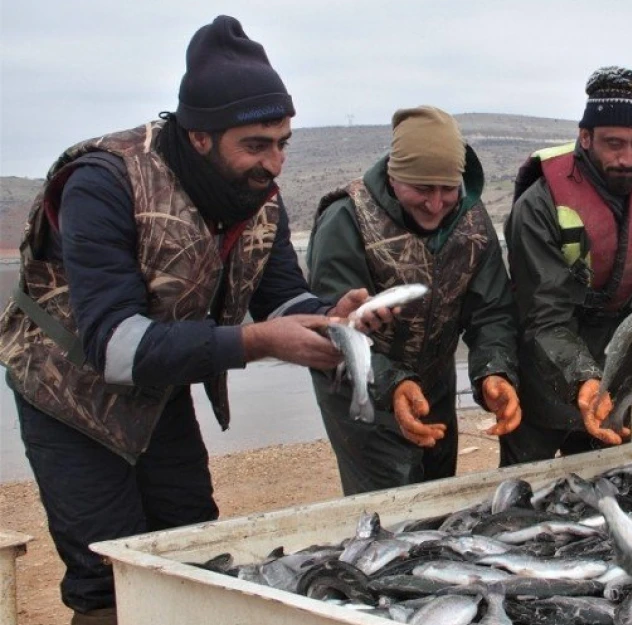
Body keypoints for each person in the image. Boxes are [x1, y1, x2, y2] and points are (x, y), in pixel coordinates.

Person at [0, 16, 384, 625]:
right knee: (107, 575)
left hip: (161, 388)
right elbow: (116, 348)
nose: (275, 163)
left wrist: (328, 320)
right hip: (67, 393)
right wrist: (257, 343)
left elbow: (280, 298)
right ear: (199, 136)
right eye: (256, 145)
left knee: (194, 551)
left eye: (283, 141)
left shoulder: (261, 198)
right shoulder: (104, 184)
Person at [499, 66, 632, 466]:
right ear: (585, 137)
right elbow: (543, 316)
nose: (627, 159)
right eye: (613, 144)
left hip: (617, 365)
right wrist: (583, 379)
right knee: (526, 487)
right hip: (541, 362)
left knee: (611, 483)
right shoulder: (538, 205)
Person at [307, 105, 521, 494]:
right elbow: (330, 334)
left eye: (447, 188)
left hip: (435, 384)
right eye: (421, 188)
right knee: (390, 504)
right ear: (393, 175)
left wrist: (495, 369)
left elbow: (491, 311)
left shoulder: (472, 220)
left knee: (437, 493)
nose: (436, 203)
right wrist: (391, 385)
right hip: (363, 391)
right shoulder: (345, 219)